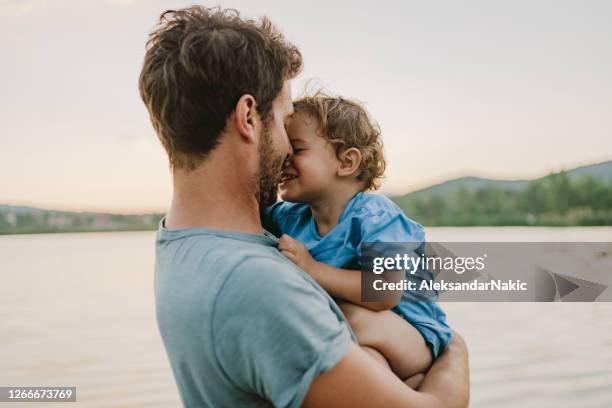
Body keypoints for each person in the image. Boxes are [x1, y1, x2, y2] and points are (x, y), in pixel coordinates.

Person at [140, 5, 469, 407]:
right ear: (248, 117)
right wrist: (456, 353)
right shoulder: (257, 284)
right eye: (283, 119)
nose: (285, 151)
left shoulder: (182, 244)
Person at [263, 93, 453, 386]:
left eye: (296, 150)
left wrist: (313, 269)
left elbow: (385, 292)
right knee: (358, 364)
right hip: (363, 342)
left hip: (414, 338)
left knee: (344, 316)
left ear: (347, 161)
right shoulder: (290, 217)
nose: (283, 160)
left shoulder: (377, 216)